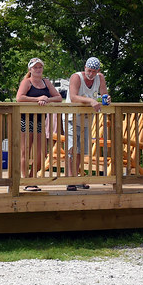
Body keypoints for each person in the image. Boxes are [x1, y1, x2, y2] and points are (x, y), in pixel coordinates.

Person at [15, 58, 62, 191]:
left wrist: (46, 99)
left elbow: (58, 98)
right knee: (25, 151)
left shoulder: (46, 82)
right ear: (30, 69)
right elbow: (19, 98)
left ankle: (31, 178)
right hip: (26, 120)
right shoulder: (27, 82)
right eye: (35, 67)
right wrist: (37, 99)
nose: (38, 69)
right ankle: (26, 181)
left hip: (40, 122)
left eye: (40, 67)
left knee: (42, 154)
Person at [64, 57, 109, 190]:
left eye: (94, 71)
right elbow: (73, 97)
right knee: (71, 148)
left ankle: (76, 178)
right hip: (71, 116)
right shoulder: (76, 77)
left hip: (86, 119)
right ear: (85, 68)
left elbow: (104, 94)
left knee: (80, 150)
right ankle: (69, 179)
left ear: (98, 71)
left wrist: (107, 98)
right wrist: (90, 101)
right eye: (89, 70)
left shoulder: (100, 78)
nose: (91, 74)